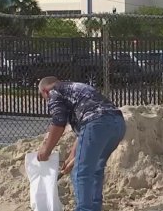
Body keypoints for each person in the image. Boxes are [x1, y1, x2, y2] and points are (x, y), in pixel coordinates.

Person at [36, 76, 126, 211]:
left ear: (44, 91)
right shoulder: (76, 88)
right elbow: (83, 133)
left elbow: (59, 121)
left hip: (96, 124)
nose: (47, 100)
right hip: (117, 124)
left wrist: (46, 150)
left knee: (81, 172)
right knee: (95, 168)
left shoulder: (54, 91)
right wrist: (72, 156)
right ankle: (94, 207)